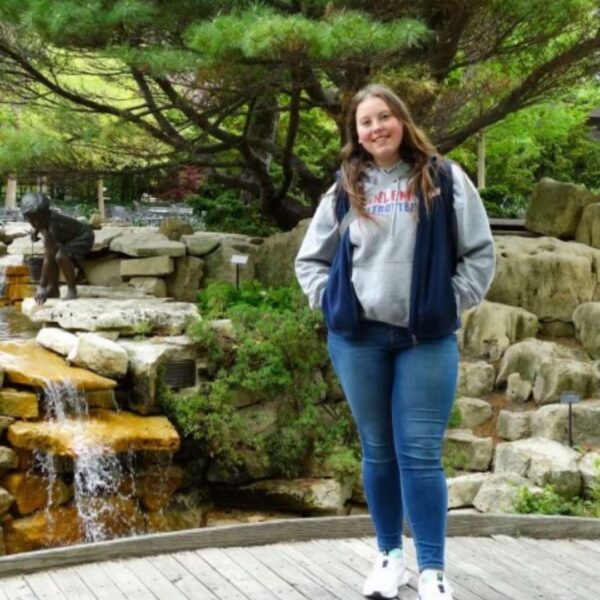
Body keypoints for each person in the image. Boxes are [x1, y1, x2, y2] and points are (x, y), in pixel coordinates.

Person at [295, 84, 495, 600]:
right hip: (359, 339)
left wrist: (450, 301)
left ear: (402, 121)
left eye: (384, 117)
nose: (376, 127)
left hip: (424, 338)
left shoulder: (443, 178)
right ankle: (388, 557)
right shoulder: (346, 187)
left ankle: (431, 570)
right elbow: (310, 259)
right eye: (365, 122)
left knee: (421, 453)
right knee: (378, 450)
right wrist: (332, 300)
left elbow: (479, 253)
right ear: (355, 134)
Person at [21, 192, 94, 305]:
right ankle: (54, 289)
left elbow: (48, 258)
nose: (36, 223)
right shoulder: (42, 221)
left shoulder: (52, 226)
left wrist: (42, 286)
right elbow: (39, 226)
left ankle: (72, 290)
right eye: (32, 220)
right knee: (55, 254)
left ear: (45, 215)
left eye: (38, 220)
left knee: (60, 256)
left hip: (83, 236)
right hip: (69, 237)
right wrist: (35, 232)